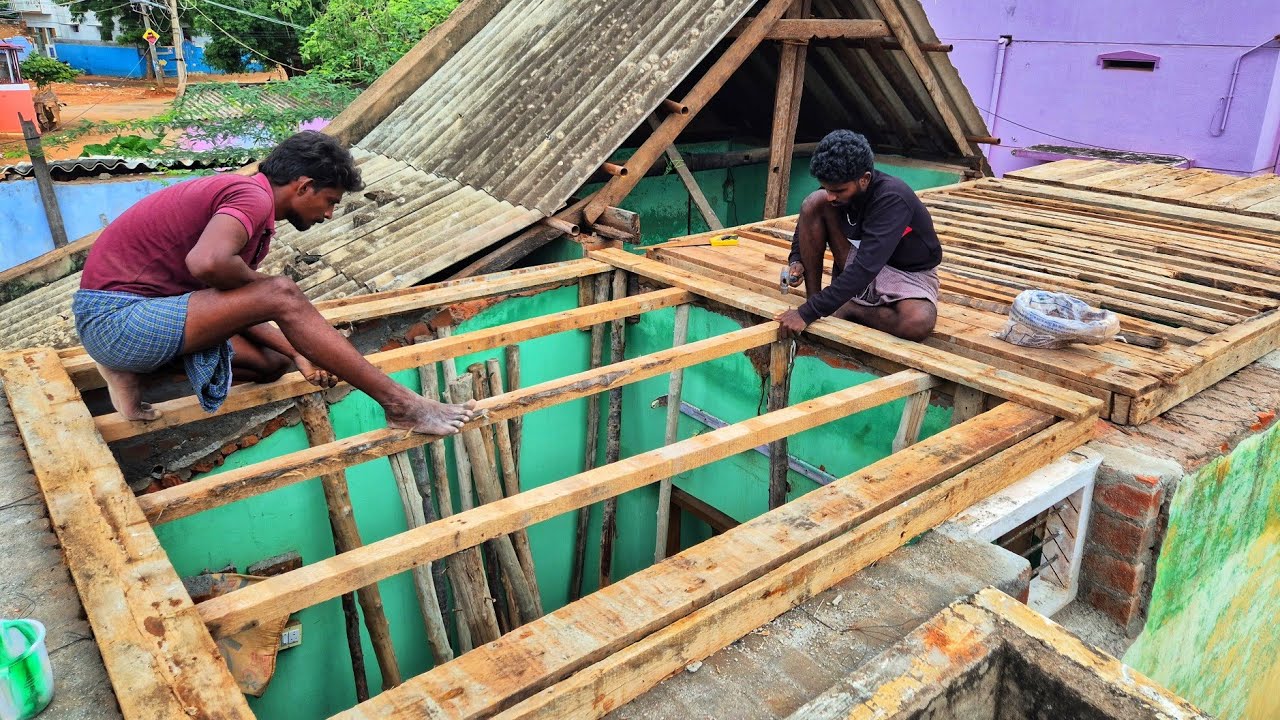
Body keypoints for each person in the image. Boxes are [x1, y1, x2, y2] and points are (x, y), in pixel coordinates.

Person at [73, 131, 479, 435]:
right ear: (303, 186)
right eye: (330, 201)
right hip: (117, 320)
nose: (330, 214)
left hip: (147, 319)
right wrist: (269, 291)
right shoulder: (251, 196)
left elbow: (235, 299)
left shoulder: (249, 210)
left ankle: (132, 372)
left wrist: (300, 352)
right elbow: (208, 262)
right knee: (281, 291)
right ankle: (401, 404)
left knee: (273, 362)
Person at [775, 130, 941, 342]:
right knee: (814, 202)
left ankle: (849, 308)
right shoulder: (837, 188)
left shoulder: (892, 198)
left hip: (904, 272)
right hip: (861, 260)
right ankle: (815, 297)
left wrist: (806, 313)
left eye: (839, 190)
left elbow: (865, 268)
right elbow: (809, 214)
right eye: (828, 188)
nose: (831, 196)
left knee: (917, 322)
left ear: (864, 179)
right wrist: (796, 258)